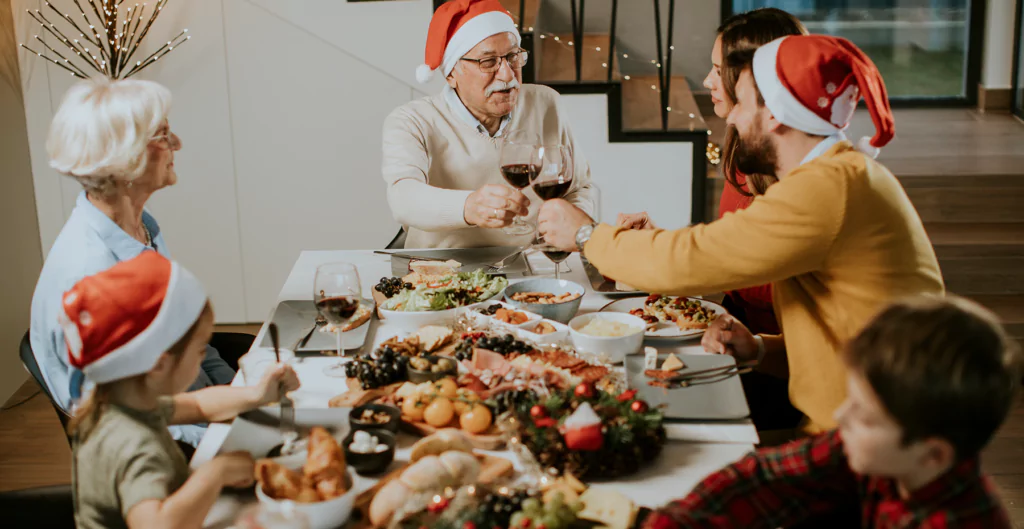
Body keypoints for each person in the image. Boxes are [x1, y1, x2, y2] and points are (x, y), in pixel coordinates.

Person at [538, 35, 945, 432]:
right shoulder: (837, 177)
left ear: (776, 115)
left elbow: (696, 258)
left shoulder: (826, 189)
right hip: (862, 421)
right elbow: (844, 335)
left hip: (881, 440)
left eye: (742, 102)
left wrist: (588, 235)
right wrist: (762, 350)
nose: (730, 116)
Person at [638, 296, 1018, 528]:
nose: (841, 413)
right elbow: (764, 475)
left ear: (935, 453)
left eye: (864, 414)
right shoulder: (892, 453)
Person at [623, 8, 807, 433]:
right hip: (733, 332)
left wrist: (668, 257)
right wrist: (666, 243)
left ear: (753, 83)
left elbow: (750, 266)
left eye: (717, 69)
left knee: (648, 404)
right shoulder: (742, 143)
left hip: (781, 365)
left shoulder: (796, 172)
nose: (706, 81)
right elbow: (732, 243)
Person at [30, 77, 236, 447]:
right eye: (164, 134)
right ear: (124, 160)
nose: (177, 144)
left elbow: (183, 333)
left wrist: (235, 389)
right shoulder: (91, 273)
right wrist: (231, 433)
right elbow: (124, 419)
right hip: (169, 447)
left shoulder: (140, 229)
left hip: (200, 405)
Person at [65, 252, 300, 529]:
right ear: (159, 365)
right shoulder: (134, 442)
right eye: (200, 349)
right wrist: (216, 472)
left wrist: (257, 394)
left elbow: (198, 405)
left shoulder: (120, 401)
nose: (204, 357)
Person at [382, 0, 595, 249]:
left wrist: (567, 237)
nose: (508, 75)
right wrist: (469, 207)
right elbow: (403, 198)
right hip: (441, 271)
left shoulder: (546, 102)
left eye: (513, 56)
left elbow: (578, 188)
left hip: (533, 264)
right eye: (488, 62)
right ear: (451, 73)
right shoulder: (411, 121)